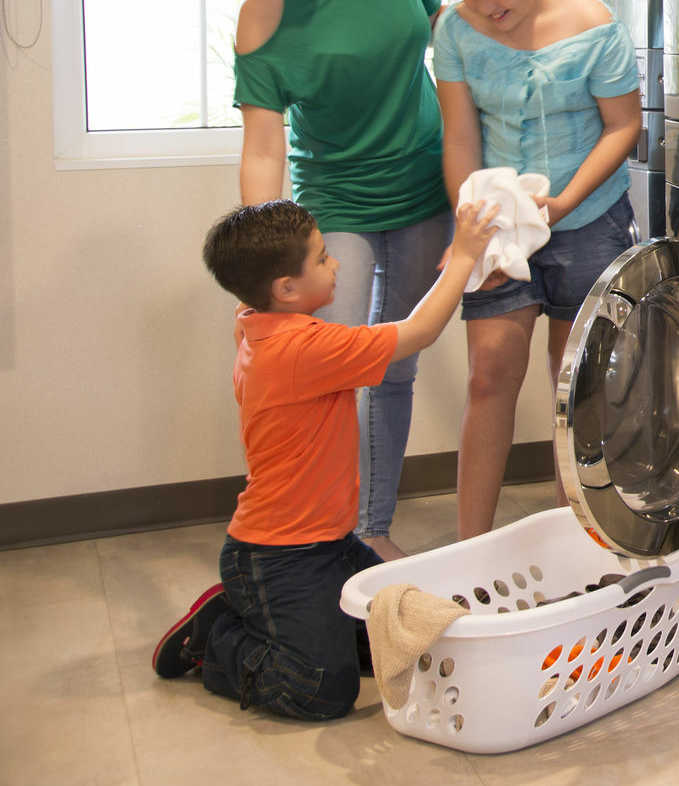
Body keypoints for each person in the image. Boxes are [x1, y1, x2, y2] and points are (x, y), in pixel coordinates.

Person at [153, 197, 500, 720]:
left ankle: (274, 621)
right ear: (285, 290)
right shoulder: (303, 349)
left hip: (331, 544)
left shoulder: (254, 322)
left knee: (400, 636)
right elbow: (419, 331)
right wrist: (465, 256)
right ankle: (216, 635)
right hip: (278, 558)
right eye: (321, 258)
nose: (334, 263)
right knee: (321, 690)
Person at [233, 0, 451, 561]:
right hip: (337, 205)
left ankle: (371, 527)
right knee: (334, 372)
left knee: (395, 364)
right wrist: (261, 260)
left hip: (426, 185)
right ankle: (323, 533)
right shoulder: (265, 4)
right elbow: (263, 147)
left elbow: (446, 39)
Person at [432, 0, 642, 540]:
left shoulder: (593, 24)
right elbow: (460, 140)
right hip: (499, 223)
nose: (487, 8)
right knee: (489, 373)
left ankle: (574, 543)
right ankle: (468, 552)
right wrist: (468, 228)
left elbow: (623, 126)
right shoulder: (455, 32)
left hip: (590, 217)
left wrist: (566, 201)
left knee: (573, 385)